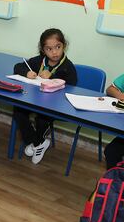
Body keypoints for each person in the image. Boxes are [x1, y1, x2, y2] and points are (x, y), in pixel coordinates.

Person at [12, 28, 78, 164]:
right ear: (43, 50)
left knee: (42, 118)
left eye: (58, 47)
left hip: (56, 105)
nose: (54, 52)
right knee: (19, 111)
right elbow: (18, 67)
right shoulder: (39, 61)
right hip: (36, 100)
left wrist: (52, 77)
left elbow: (72, 86)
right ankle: (37, 142)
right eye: (49, 49)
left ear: (64, 46)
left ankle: (36, 143)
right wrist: (27, 73)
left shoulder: (67, 67)